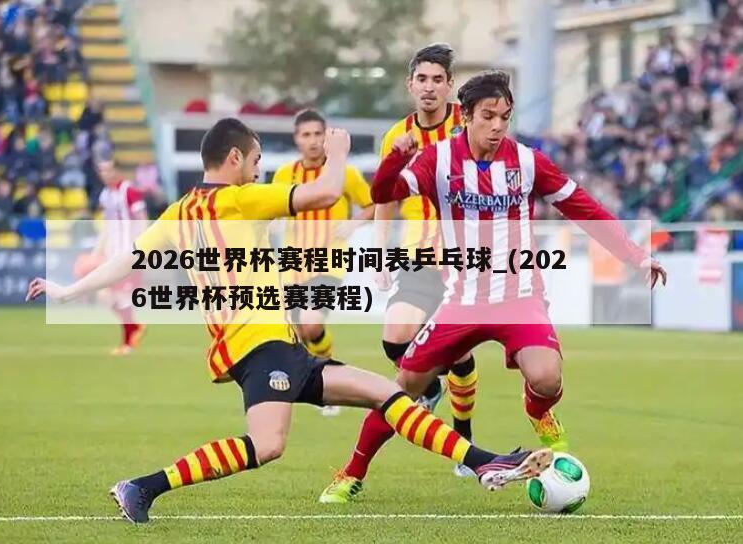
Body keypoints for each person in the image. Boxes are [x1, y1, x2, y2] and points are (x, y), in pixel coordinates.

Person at [25, 118, 553, 524]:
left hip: (274, 346)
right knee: (267, 445)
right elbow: (324, 193)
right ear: (234, 158)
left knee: (388, 394)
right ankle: (141, 487)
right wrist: (340, 151)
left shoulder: (181, 210)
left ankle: (483, 461)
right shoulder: (238, 199)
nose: (259, 170)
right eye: (256, 159)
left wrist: (69, 290)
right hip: (261, 347)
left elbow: (129, 258)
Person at [342, 70, 667, 502]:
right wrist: (394, 160)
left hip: (519, 296)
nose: (497, 126)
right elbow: (384, 193)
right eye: (488, 116)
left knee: (547, 378)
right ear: (466, 116)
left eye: (505, 117)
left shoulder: (528, 162)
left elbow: (583, 207)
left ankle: (538, 410)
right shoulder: (438, 160)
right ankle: (351, 473)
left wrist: (636, 254)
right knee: (403, 389)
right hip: (462, 299)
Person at [319, 44, 478, 504]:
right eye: (421, 79)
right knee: (395, 339)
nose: (429, 88)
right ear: (410, 85)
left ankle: (463, 431)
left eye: (437, 80)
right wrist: (381, 253)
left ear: (450, 85)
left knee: (460, 351)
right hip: (416, 256)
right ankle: (432, 387)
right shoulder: (397, 136)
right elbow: (386, 198)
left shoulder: (467, 126)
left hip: (465, 260)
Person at [272, 109, 374, 416]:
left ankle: (329, 383)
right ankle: (316, 383)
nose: (313, 140)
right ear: (297, 139)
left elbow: (373, 204)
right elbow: (273, 209)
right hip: (293, 265)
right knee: (296, 333)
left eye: (318, 134)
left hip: (330, 262)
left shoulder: (344, 173)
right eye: (307, 135)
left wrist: (353, 224)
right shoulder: (284, 174)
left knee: (311, 322)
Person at [93, 157, 148, 355]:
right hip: (113, 254)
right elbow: (108, 225)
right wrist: (98, 249)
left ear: (117, 170)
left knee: (122, 296)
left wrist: (141, 249)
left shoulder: (129, 191)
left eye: (108, 169)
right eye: (101, 170)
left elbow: (142, 220)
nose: (104, 174)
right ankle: (134, 327)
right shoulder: (105, 195)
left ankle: (128, 343)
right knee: (104, 296)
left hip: (128, 253)